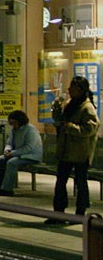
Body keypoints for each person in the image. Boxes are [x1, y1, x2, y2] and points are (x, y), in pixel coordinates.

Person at [47, 76, 99, 223]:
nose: (69, 90)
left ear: (80, 90)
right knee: (60, 181)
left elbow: (90, 129)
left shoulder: (87, 107)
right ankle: (58, 213)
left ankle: (79, 214)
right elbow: (60, 121)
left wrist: (69, 127)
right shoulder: (70, 103)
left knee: (81, 183)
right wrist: (56, 111)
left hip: (80, 152)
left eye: (72, 87)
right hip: (65, 150)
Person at [0, 109, 43, 196]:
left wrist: (12, 153)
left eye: (14, 123)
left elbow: (29, 147)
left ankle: (6, 189)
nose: (13, 125)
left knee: (11, 163)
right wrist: (7, 150)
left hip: (30, 156)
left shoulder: (30, 130)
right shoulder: (13, 130)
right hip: (15, 154)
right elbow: (9, 142)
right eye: (11, 123)